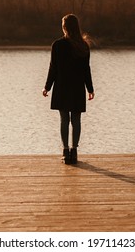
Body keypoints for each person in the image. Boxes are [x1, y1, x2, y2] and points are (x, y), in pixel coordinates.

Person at [42, 14, 95, 165]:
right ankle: (74, 152)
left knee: (64, 119)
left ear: (64, 27)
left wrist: (47, 87)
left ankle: (65, 151)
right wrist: (90, 89)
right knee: (76, 120)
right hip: (77, 87)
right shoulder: (83, 45)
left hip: (62, 87)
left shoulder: (58, 45)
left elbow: (53, 68)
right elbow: (86, 70)